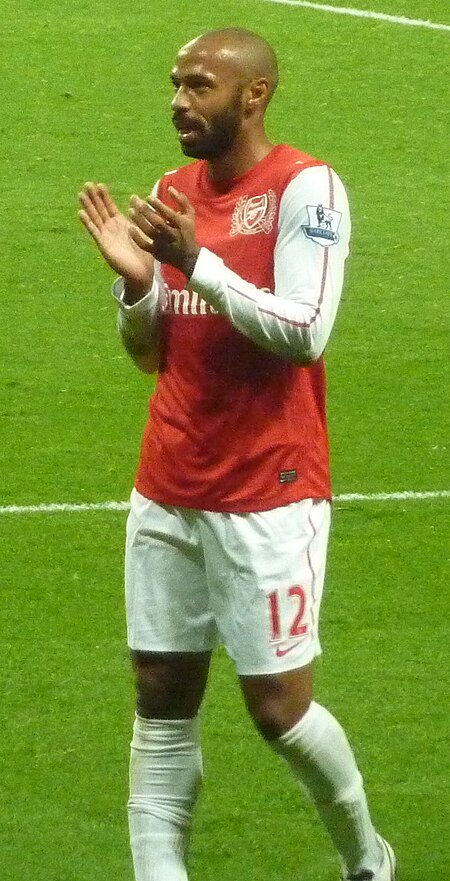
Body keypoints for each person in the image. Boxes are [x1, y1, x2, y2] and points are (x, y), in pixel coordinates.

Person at [79, 27, 396, 881]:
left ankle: (368, 858)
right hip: (169, 485)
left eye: (200, 86)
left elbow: (307, 331)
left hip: (270, 491)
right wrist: (139, 288)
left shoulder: (306, 187)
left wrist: (198, 263)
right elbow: (151, 356)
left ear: (254, 96)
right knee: (159, 702)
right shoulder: (171, 191)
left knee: (279, 712)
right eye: (176, 84)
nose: (179, 101)